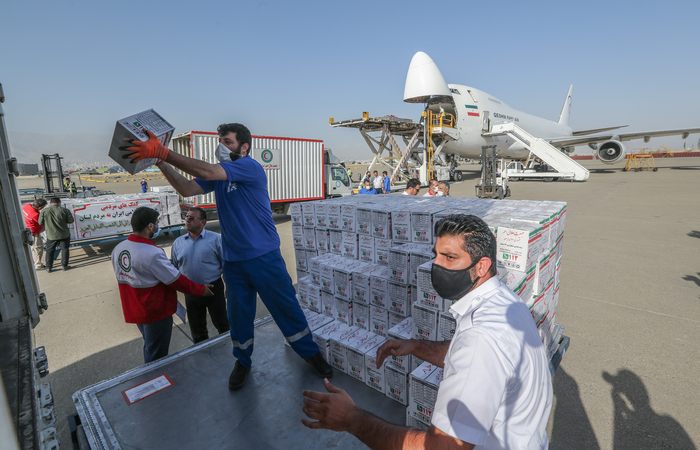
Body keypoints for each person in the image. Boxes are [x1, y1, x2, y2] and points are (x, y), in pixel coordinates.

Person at [301, 214, 553, 449]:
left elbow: (441, 447)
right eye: (436, 255)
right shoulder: (504, 301)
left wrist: (352, 420)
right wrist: (416, 347)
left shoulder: (480, 337)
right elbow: (471, 356)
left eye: (449, 257)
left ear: (481, 266)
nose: (436, 265)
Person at [121, 122, 333, 390]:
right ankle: (242, 361)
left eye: (228, 142)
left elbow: (208, 169)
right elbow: (186, 188)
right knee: (238, 316)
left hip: (263, 256)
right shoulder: (220, 178)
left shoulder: (249, 166)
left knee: (285, 308)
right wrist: (159, 162)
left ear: (244, 147)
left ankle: (310, 354)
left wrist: (163, 152)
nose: (222, 146)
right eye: (220, 141)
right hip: (233, 261)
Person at [112, 207, 214, 363]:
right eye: (157, 222)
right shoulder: (151, 252)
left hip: (135, 308)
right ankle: (154, 382)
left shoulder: (119, 249)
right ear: (150, 226)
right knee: (156, 355)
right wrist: (201, 290)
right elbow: (176, 280)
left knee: (150, 346)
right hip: (154, 311)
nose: (158, 225)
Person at [170, 206, 229, 344]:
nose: (188, 220)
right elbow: (173, 267)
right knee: (197, 329)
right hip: (191, 290)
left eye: (192, 218)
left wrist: (229, 286)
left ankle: (230, 349)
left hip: (214, 289)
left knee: (222, 323)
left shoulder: (215, 239)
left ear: (203, 222)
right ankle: (202, 354)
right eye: (187, 217)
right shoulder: (178, 243)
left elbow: (226, 265)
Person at [38, 197, 74, 273]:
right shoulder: (65, 210)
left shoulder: (44, 211)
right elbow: (71, 221)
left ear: (50, 203)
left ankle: (49, 267)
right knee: (64, 249)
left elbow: (40, 222)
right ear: (59, 203)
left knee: (49, 251)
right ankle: (64, 266)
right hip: (64, 234)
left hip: (51, 235)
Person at [22, 198, 48, 269]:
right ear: (40, 208)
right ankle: (38, 264)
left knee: (32, 248)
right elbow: (43, 222)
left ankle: (34, 261)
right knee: (38, 248)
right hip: (34, 232)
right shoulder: (35, 215)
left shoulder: (26, 206)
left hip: (27, 229)